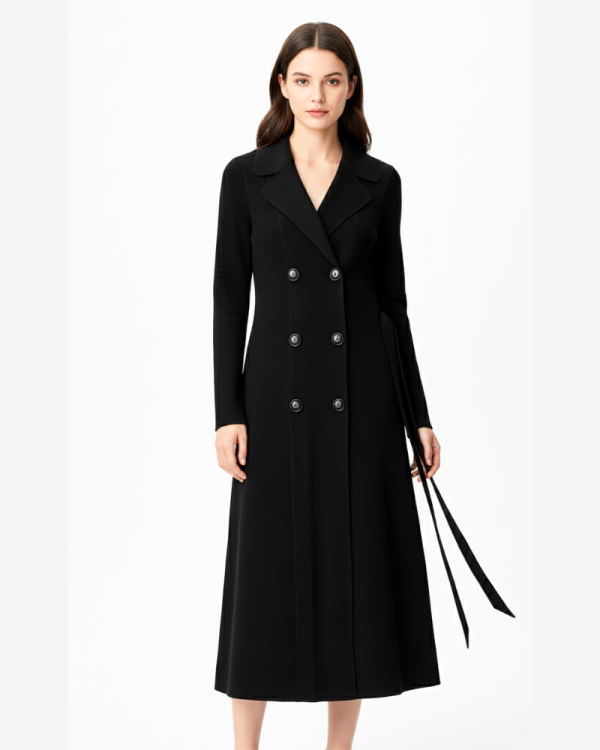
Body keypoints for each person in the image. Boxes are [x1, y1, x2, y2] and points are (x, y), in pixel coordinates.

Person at [212, 21, 514, 750]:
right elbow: (227, 298)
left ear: (351, 88)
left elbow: (391, 307)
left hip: (362, 399)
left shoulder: (380, 183)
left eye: (332, 80)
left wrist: (418, 416)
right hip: (274, 402)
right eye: (304, 80)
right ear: (282, 87)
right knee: (263, 582)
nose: (317, 94)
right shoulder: (246, 176)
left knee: (349, 576)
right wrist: (228, 411)